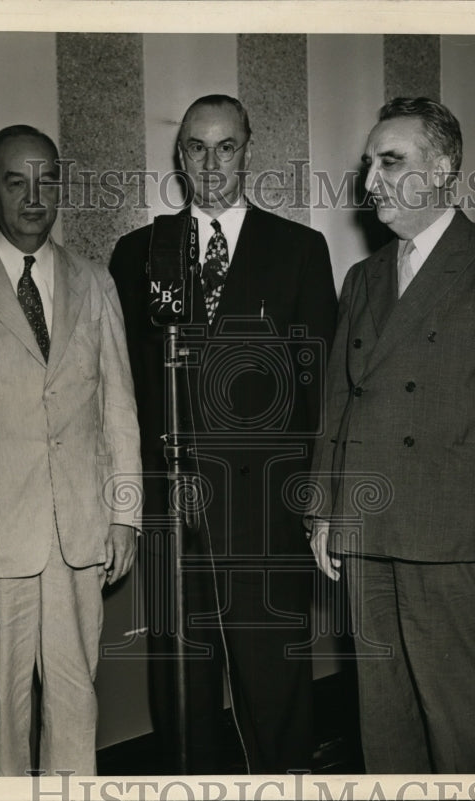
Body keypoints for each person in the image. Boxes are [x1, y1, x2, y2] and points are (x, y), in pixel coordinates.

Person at [108, 95, 337, 773]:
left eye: (226, 146)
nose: (211, 163)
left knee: (275, 683)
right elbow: (122, 388)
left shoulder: (298, 248)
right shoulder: (139, 253)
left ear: (248, 150)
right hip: (174, 513)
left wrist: (313, 498)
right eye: (197, 148)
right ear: (180, 156)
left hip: (265, 507)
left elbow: (317, 389)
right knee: (183, 684)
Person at [308, 97, 475, 773]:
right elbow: (338, 402)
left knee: (466, 724)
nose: (371, 182)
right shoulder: (364, 277)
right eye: (370, 164)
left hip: (453, 537)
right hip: (368, 532)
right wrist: (323, 510)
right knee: (384, 720)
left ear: (443, 169)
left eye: (391, 161)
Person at [0, 125, 141, 776]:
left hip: (80, 531)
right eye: (14, 181)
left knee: (76, 696)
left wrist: (125, 514)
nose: (33, 195)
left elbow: (119, 405)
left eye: (47, 179)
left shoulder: (94, 281)